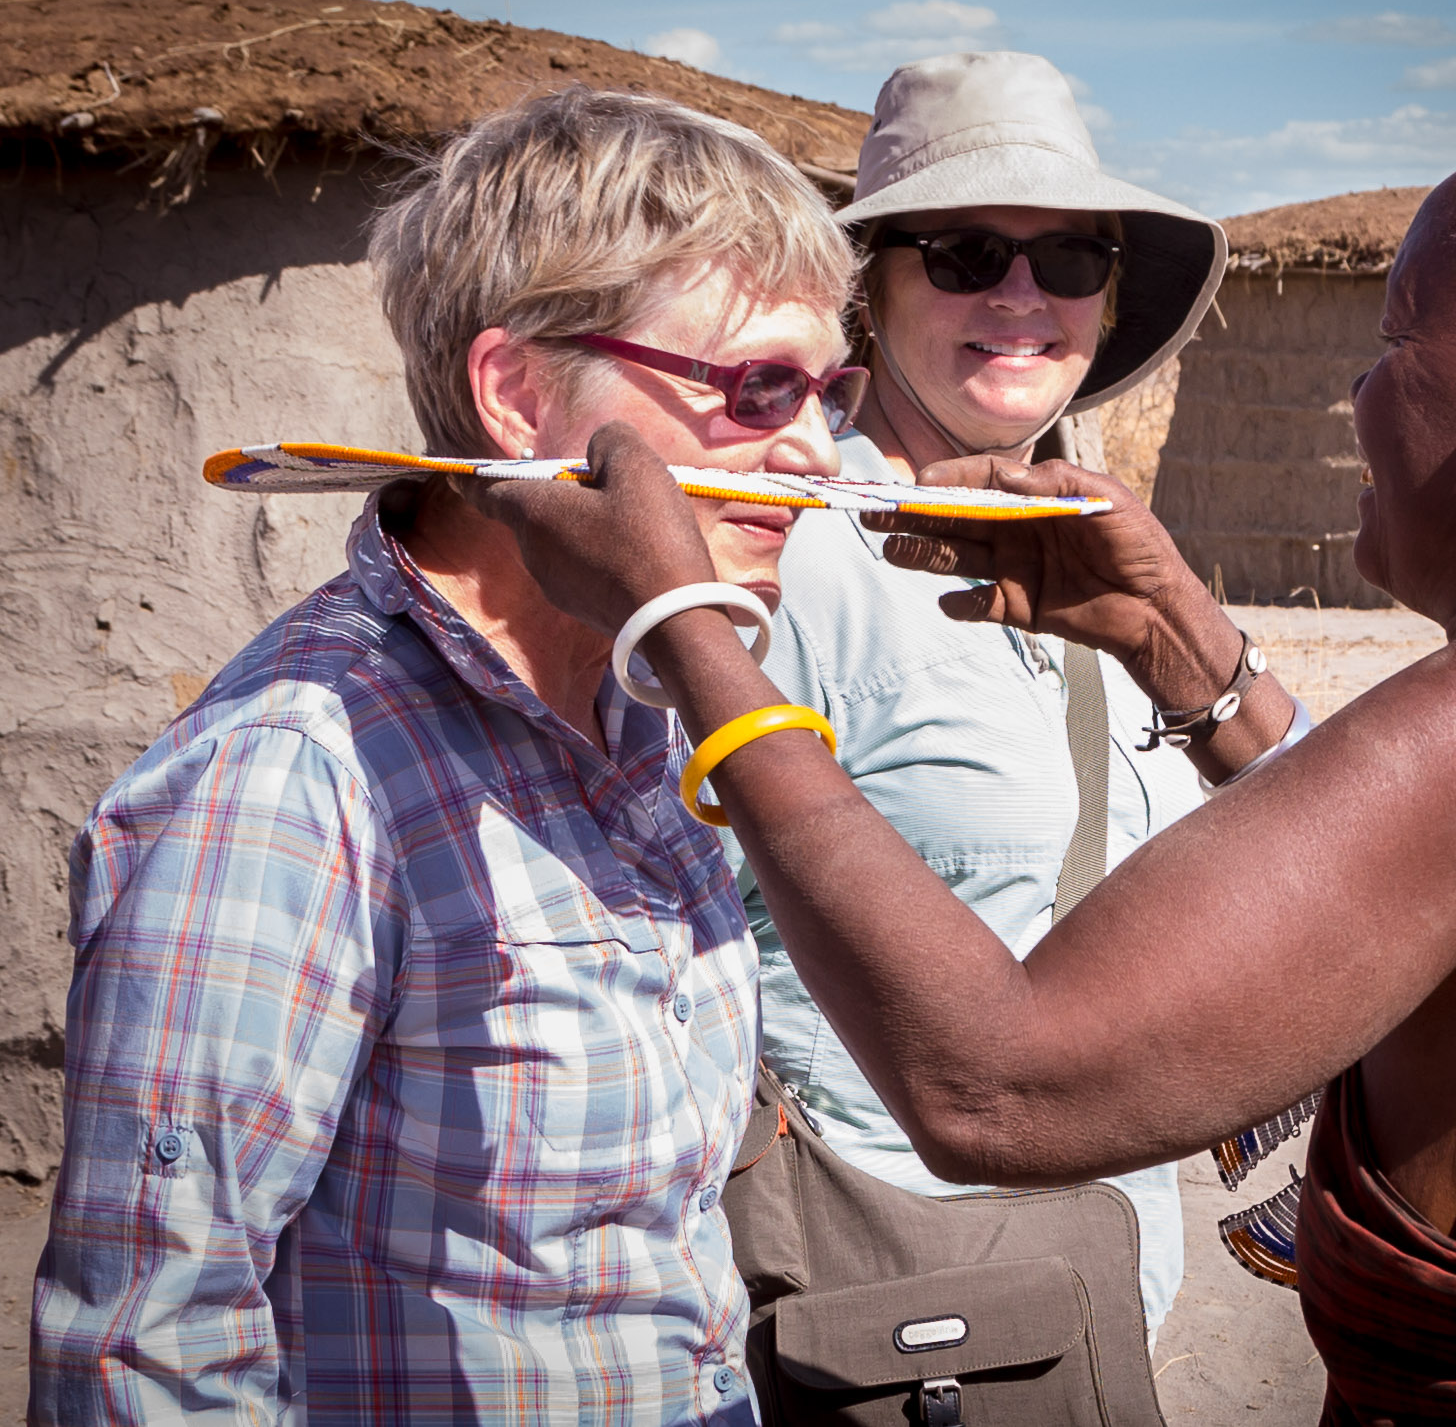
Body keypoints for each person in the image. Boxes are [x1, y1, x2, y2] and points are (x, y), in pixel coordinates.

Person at [462, 117, 1456, 1423]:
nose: (1355, 391)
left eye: (1395, 343)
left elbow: (995, 1087)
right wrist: (1171, 635)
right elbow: (1437, 880)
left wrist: (688, 634)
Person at [32, 86, 861, 1423]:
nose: (818, 445)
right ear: (519, 394)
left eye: (830, 387)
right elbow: (146, 1346)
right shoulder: (296, 772)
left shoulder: (635, 704)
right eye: (757, 385)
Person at [722, 50, 1255, 1340]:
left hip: (1104, 1260)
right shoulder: (792, 561)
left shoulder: (1115, 549)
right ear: (871, 292)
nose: (1022, 296)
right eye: (964, 254)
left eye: (1069, 260)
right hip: (890, 1268)